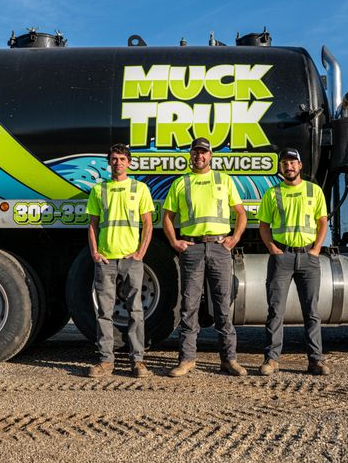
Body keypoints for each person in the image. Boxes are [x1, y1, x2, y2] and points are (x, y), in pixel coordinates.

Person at [162, 137, 248, 377]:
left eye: (204, 152)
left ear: (210, 156)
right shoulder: (181, 183)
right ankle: (187, 359)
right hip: (193, 249)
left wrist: (234, 238)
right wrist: (174, 242)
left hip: (220, 248)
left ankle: (228, 359)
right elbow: (167, 216)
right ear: (190, 155)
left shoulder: (224, 180)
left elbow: (241, 213)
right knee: (189, 305)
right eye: (196, 152)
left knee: (222, 304)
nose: (199, 156)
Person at [256, 148, 331, 376]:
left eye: (293, 162)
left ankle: (315, 360)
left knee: (311, 312)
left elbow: (322, 221)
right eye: (285, 163)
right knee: (275, 310)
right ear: (280, 167)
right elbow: (264, 226)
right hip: (282, 257)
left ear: (300, 166)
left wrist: (317, 249)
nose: (289, 166)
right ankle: (271, 359)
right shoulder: (272, 193)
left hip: (308, 257)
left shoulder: (314, 191)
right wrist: (273, 249)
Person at [85, 143, 155, 378]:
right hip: (106, 260)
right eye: (114, 159)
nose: (118, 163)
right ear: (109, 162)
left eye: (122, 159)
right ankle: (106, 361)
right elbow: (93, 224)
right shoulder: (99, 190)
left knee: (136, 311)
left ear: (129, 162)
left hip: (131, 260)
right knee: (104, 312)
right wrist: (95, 252)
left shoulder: (140, 188)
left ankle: (138, 362)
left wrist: (140, 253)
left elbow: (147, 224)